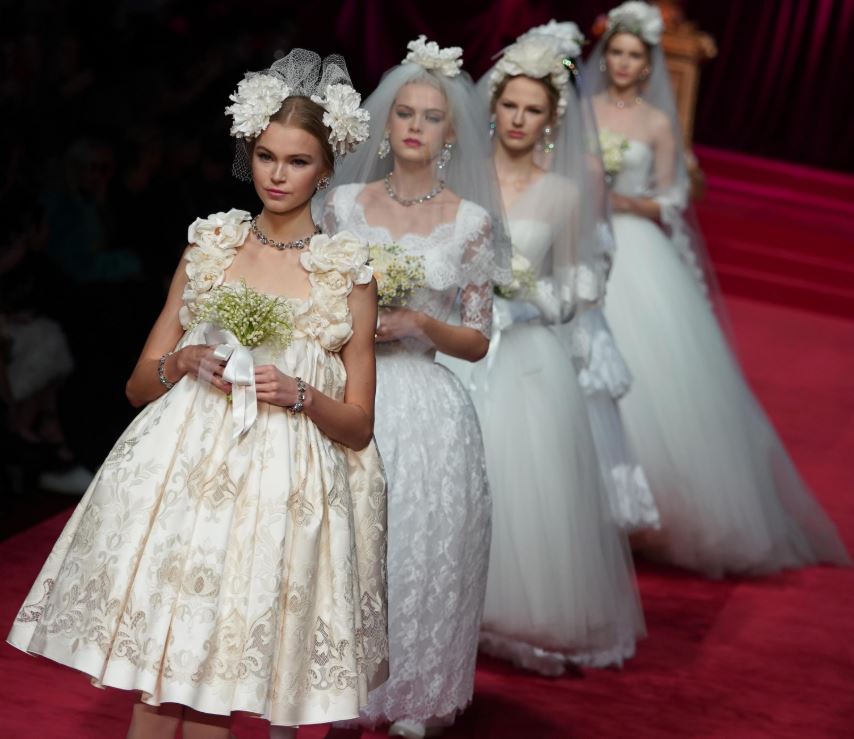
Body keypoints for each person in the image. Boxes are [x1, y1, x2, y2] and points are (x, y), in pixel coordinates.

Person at [8, 50, 388, 739]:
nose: (277, 174)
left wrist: (299, 391)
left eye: (297, 161)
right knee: (163, 670)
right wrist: (182, 360)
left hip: (278, 490)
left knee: (217, 679)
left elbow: (360, 425)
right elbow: (136, 387)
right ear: (249, 153)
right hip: (183, 475)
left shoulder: (347, 272)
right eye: (266, 156)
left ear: (326, 168)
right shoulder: (210, 244)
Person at [589, 1, 850, 576]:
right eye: (617, 53)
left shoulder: (657, 123)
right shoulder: (582, 112)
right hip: (587, 238)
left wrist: (624, 200)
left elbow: (671, 197)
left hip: (633, 246)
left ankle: (646, 509)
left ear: (647, 63)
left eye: (634, 55)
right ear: (605, 57)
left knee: (648, 374)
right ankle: (587, 500)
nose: (625, 63)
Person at [438, 23, 646, 675]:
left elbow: (584, 282)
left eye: (533, 109)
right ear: (492, 105)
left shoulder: (563, 194)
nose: (519, 119)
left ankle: (501, 612)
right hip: (452, 344)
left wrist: (528, 298)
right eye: (510, 104)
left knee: (519, 485)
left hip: (524, 352)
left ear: (551, 119)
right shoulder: (457, 178)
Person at [322, 36, 509, 739]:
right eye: (404, 112)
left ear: (451, 132)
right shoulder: (343, 205)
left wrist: (419, 322)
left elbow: (478, 337)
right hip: (351, 388)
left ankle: (416, 693)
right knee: (345, 543)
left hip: (427, 401)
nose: (414, 127)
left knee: (421, 544)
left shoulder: (471, 222)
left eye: (431, 117)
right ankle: (339, 684)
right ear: (385, 120)